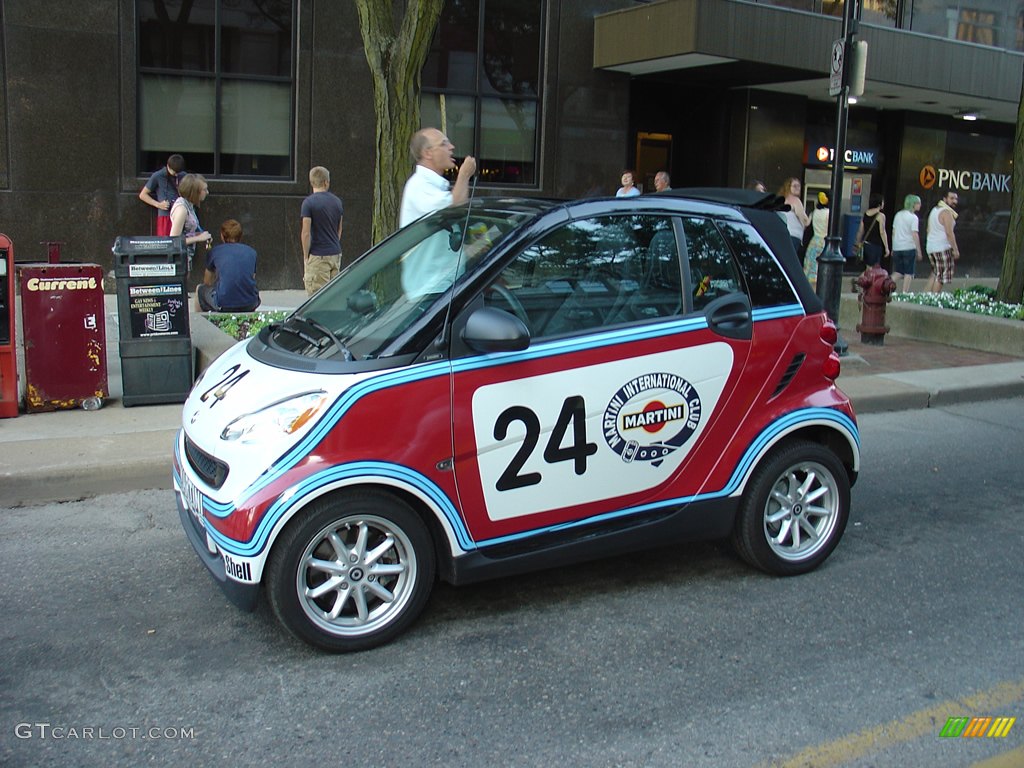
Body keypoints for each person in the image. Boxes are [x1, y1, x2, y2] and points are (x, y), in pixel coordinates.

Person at [399, 128, 477, 227]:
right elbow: (456, 207)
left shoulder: (428, 183)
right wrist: (464, 175)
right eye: (443, 144)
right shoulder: (419, 185)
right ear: (428, 153)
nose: (451, 147)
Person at [197, 219, 259, 313]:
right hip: (250, 303)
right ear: (241, 236)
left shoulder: (215, 251)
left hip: (223, 304)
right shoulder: (252, 252)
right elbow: (251, 278)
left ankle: (199, 319)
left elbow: (207, 282)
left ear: (222, 236)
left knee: (200, 289)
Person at [301, 166, 343, 295]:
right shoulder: (337, 202)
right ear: (326, 182)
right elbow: (339, 229)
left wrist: (306, 256)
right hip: (335, 253)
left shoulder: (308, 203)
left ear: (312, 182)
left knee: (317, 297)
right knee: (333, 296)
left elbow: (306, 233)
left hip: (317, 255)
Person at [168, 173, 212, 268]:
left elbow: (185, 233)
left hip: (186, 256)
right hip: (180, 259)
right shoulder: (182, 209)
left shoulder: (189, 205)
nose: (207, 192)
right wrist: (198, 238)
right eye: (204, 190)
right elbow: (174, 240)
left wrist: (199, 234)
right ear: (195, 192)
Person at [139, 154, 185, 236]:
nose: (176, 175)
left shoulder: (183, 175)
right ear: (168, 166)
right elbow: (143, 195)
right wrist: (158, 204)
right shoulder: (158, 176)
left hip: (181, 215)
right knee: (165, 241)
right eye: (174, 172)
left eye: (178, 172)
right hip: (165, 215)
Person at [925, 189, 960, 293]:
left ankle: (925, 297)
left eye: (956, 199)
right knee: (941, 277)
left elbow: (928, 229)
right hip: (942, 248)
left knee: (935, 273)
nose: (954, 201)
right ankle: (934, 299)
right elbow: (949, 233)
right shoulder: (946, 212)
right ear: (945, 199)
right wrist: (955, 249)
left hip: (931, 246)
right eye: (951, 198)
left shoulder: (934, 210)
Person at [891, 194, 923, 293]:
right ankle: (904, 293)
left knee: (899, 271)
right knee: (909, 272)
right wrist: (919, 250)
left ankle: (885, 284)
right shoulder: (914, 217)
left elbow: (894, 232)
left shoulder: (898, 215)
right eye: (918, 203)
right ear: (913, 204)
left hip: (897, 247)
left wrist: (893, 247)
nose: (920, 205)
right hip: (909, 247)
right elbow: (914, 234)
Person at [803, 192, 830, 290]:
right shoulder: (828, 213)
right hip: (824, 241)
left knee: (811, 268)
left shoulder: (814, 212)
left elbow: (806, 224)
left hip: (814, 241)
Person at [778, 177, 809, 255]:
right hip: (794, 235)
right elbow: (804, 220)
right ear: (788, 187)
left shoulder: (781, 200)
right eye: (795, 186)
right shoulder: (795, 200)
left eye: (799, 186)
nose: (797, 188)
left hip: (782, 234)